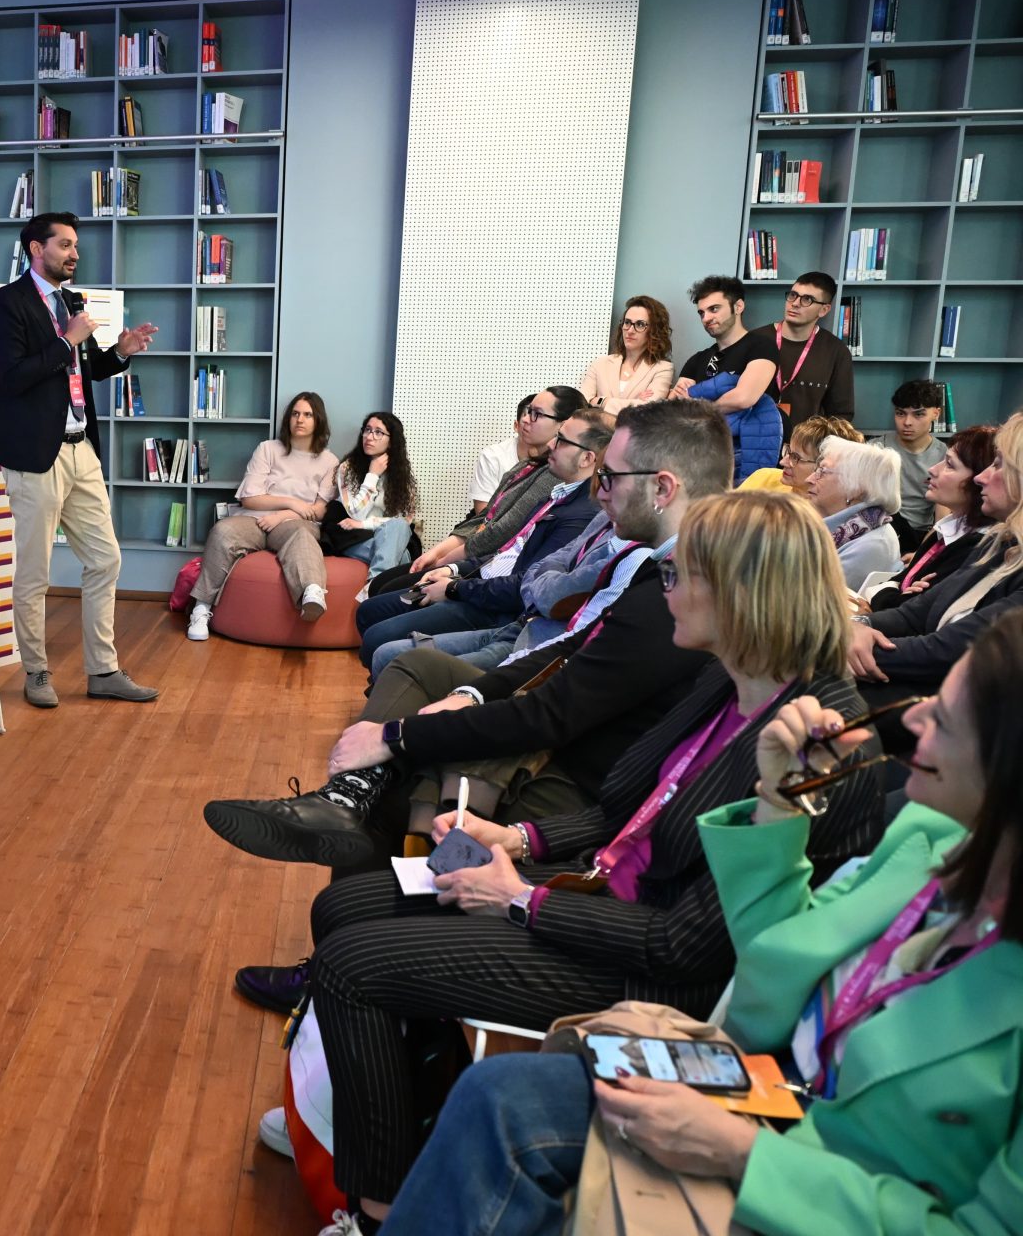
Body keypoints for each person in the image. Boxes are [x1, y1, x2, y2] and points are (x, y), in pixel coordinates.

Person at [298, 490, 885, 1226]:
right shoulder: (729, 678)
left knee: (350, 969)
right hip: (599, 896)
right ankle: (397, 1133)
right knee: (342, 906)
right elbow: (628, 812)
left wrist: (520, 898)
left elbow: (688, 947)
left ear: (741, 594)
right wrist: (519, 841)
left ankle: (377, 1209)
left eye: (678, 575)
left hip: (654, 973)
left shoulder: (823, 739)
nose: (664, 590)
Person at [380, 610, 1023, 1236]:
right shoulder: (927, 838)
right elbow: (768, 970)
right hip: (759, 1086)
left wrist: (746, 1157)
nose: (914, 717)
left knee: (485, 1093)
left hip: (819, 1182)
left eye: (942, 718)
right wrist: (778, 804)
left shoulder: (835, 734)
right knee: (495, 1096)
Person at [207, 400, 733, 881]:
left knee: (396, 784)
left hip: (574, 770)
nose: (601, 490)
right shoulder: (661, 568)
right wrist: (471, 693)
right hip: (542, 670)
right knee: (412, 668)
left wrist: (397, 736)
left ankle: (373, 870)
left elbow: (553, 707)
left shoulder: (676, 595)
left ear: (663, 488)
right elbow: (560, 634)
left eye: (612, 477)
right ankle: (349, 803)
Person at [0, 210, 159, 709]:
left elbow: (85, 368)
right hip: (34, 455)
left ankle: (103, 671)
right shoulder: (8, 303)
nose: (74, 254)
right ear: (37, 249)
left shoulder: (70, 302)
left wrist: (120, 352)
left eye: (75, 246)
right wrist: (67, 341)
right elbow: (13, 378)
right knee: (35, 573)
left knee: (106, 559)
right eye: (65, 245)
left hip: (82, 449)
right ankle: (36, 671)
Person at [356, 409, 608, 677]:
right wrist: (453, 569)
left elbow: (524, 581)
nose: (551, 444)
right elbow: (505, 549)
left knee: (379, 639)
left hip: (495, 607)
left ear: (587, 458)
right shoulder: (557, 494)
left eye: (561, 439)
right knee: (373, 610)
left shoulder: (580, 514)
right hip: (479, 585)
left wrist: (455, 587)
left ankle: (396, 688)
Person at [849, 413, 1023, 702]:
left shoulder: (985, 544)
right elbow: (913, 613)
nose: (981, 478)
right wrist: (855, 627)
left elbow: (948, 650)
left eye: (999, 465)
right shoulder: (996, 545)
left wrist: (847, 647)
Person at [368, 386, 585, 598]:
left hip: (489, 566)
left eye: (537, 414)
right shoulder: (527, 465)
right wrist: (437, 552)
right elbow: (485, 516)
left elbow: (502, 530)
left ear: (563, 425)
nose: (526, 419)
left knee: (385, 592)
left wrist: (446, 561)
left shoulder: (554, 475)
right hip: (473, 553)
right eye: (528, 411)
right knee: (381, 584)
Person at [186, 392, 341, 639]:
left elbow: (320, 510)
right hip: (255, 519)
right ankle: (201, 609)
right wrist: (292, 502)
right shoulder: (268, 449)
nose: (300, 420)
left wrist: (284, 515)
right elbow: (249, 498)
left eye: (308, 415)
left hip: (296, 523)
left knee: (303, 535)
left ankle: (312, 593)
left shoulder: (329, 461)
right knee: (223, 531)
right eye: (295, 413)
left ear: (318, 420)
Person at [862, 424, 998, 613]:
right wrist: (895, 593)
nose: (933, 469)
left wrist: (890, 595)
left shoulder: (976, 547)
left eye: (950, 465)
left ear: (979, 479)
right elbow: (896, 586)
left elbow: (909, 611)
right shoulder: (944, 531)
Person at [674, 275, 782, 483]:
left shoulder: (761, 347)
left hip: (744, 453)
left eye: (714, 309)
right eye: (701, 313)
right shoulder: (698, 359)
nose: (706, 318)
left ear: (738, 306)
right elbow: (677, 405)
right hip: (700, 456)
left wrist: (700, 406)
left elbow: (744, 398)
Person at [322, 411, 418, 582]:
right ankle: (376, 587)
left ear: (392, 441)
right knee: (402, 557)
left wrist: (364, 524)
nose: (369, 436)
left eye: (378, 432)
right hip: (352, 538)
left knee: (398, 527)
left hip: (385, 534)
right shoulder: (348, 468)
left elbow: (403, 521)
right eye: (367, 430)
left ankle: (373, 586)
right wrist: (372, 475)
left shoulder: (401, 476)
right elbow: (356, 514)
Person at [758, 271, 856, 436]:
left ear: (824, 310)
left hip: (805, 447)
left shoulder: (836, 351)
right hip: (754, 441)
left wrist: (814, 444)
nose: (795, 303)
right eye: (793, 295)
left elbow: (841, 415)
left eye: (807, 299)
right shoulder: (755, 340)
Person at [806, 437, 902, 588]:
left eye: (822, 472)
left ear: (855, 489)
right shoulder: (838, 527)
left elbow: (810, 596)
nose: (809, 479)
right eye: (816, 470)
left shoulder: (872, 545)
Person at [870, 378, 949, 550]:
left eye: (918, 414)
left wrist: (921, 554)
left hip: (919, 536)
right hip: (878, 529)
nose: (907, 422)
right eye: (900, 413)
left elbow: (942, 519)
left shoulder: (945, 456)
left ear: (936, 413)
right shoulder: (876, 449)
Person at [579, 295, 673, 414]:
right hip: (596, 427)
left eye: (640, 324)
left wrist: (601, 401)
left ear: (654, 330)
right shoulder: (600, 364)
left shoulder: (663, 369)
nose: (630, 330)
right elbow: (581, 404)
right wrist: (634, 402)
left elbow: (648, 410)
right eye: (627, 322)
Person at [467, 395, 554, 513]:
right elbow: (483, 513)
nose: (529, 422)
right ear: (516, 426)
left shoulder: (559, 459)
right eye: (527, 417)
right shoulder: (493, 456)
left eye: (537, 418)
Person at [744, 413, 865, 494]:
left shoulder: (829, 515)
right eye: (788, 451)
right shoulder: (764, 477)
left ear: (826, 468)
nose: (783, 462)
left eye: (795, 457)